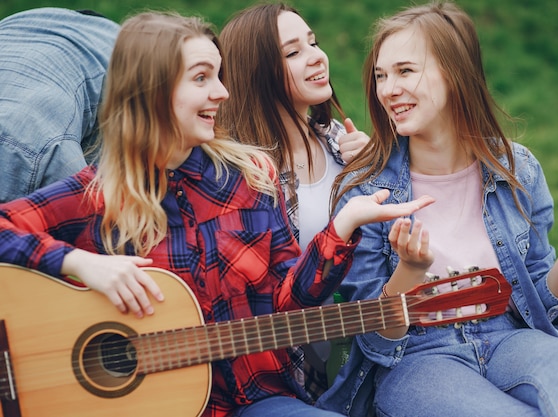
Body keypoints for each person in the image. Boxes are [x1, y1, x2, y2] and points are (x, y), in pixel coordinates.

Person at [0, 11, 435, 417]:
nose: (222, 92)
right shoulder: (97, 196)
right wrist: (81, 263)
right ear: (151, 91)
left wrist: (342, 226)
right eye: (202, 78)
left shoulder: (249, 177)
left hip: (254, 399)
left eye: (219, 76)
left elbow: (286, 303)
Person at [315, 2, 558, 416]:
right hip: (419, 358)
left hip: (508, 337)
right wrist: (409, 271)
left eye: (405, 71)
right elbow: (376, 340)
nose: (387, 89)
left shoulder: (516, 168)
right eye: (381, 76)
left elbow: (540, 300)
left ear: (453, 72)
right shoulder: (364, 190)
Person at [218, 3, 370, 398]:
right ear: (257, 72)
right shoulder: (243, 176)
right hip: (291, 365)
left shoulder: (337, 139)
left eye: (313, 42)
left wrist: (375, 168)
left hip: (366, 333)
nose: (317, 56)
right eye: (293, 52)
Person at [0, 7, 119, 202]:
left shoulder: (25, 20)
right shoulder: (122, 49)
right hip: (36, 139)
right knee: (88, 216)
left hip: (32, 133)